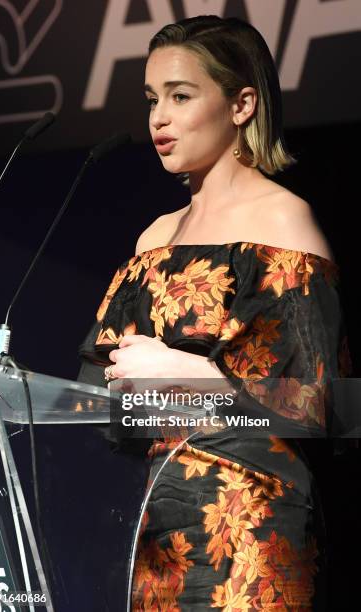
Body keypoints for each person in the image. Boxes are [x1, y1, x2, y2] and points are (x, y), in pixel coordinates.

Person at [78, 15, 351, 611]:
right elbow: (103, 407)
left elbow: (324, 409)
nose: (159, 118)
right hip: (159, 533)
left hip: (254, 524)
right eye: (152, 99)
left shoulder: (283, 223)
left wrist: (186, 374)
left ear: (241, 104)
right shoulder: (153, 240)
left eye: (180, 96)